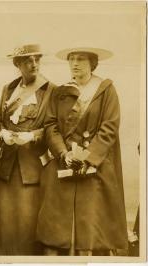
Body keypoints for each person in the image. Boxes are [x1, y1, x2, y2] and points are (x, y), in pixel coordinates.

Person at [36, 46, 128, 255]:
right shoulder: (60, 92)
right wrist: (64, 153)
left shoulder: (105, 90)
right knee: (57, 229)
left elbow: (109, 128)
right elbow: (51, 126)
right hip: (64, 163)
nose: (75, 64)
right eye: (72, 59)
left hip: (94, 165)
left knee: (92, 230)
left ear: (92, 63)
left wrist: (85, 158)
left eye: (81, 59)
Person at [0, 44, 56, 255]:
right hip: (8, 167)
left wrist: (32, 136)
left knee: (27, 223)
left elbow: (54, 128)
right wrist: (3, 134)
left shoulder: (50, 90)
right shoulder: (8, 89)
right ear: (17, 64)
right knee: (3, 223)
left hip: (33, 168)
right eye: (27, 60)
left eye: (37, 59)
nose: (33, 64)